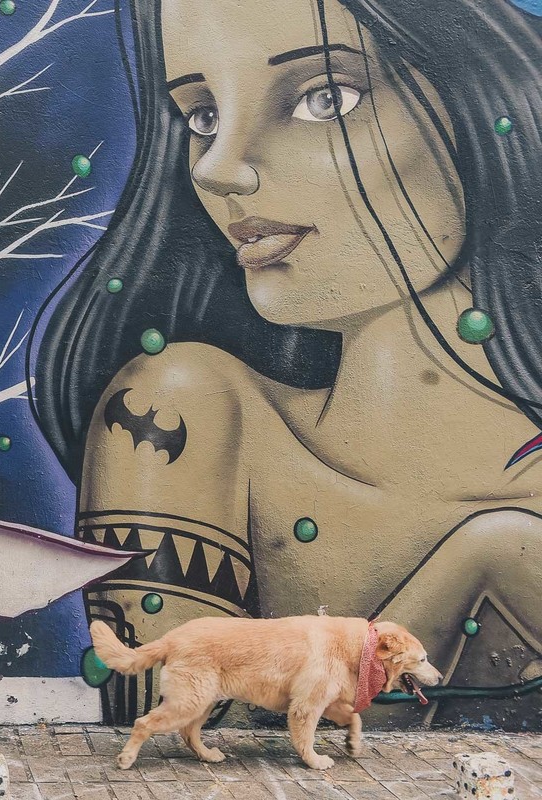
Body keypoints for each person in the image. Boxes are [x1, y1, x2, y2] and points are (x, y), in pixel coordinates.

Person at [30, 0, 542, 724]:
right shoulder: (180, 415)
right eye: (203, 116)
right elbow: (180, 743)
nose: (217, 167)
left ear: (480, 102)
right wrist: (484, 559)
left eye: (325, 98)